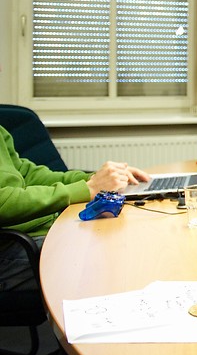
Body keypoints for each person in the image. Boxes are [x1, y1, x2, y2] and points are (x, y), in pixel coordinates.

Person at [0, 124, 150, 290]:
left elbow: (29, 175)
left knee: (125, 238)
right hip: (11, 248)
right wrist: (87, 189)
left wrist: (95, 180)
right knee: (112, 258)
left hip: (34, 232)